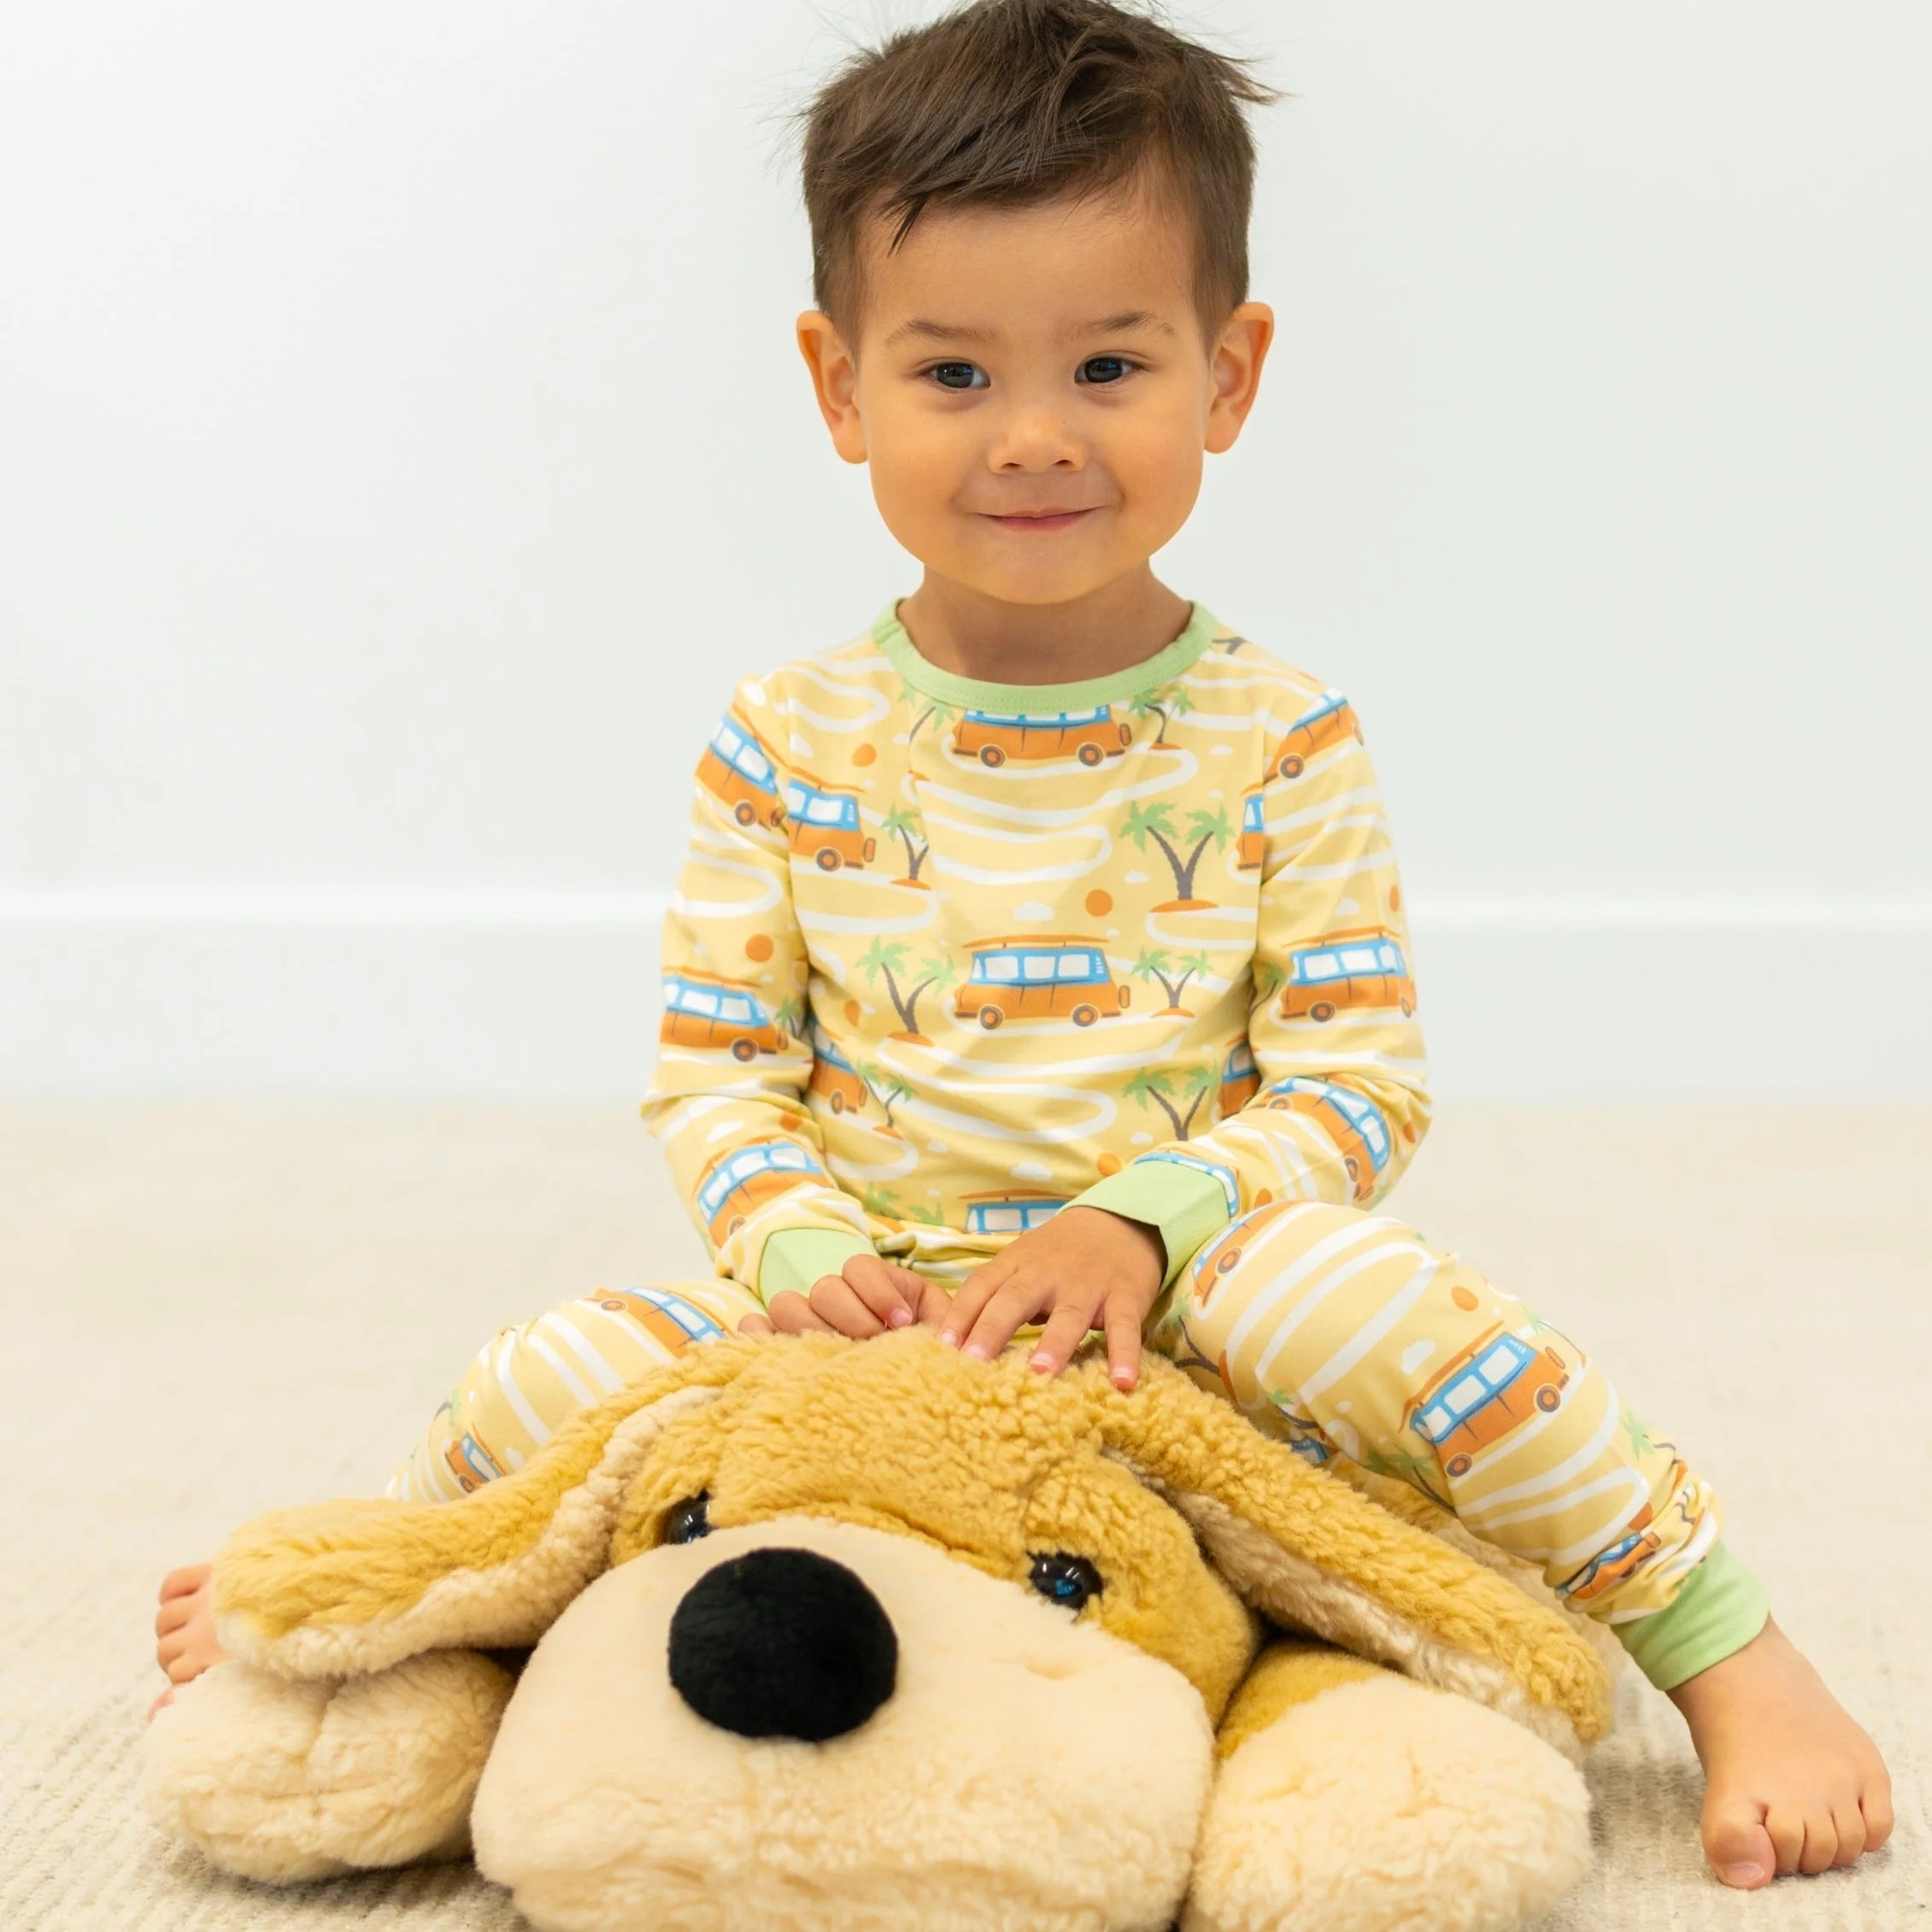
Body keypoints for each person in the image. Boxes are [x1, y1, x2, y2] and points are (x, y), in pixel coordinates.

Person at [156, 0, 1890, 1892]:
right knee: (555, 1362)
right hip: (862, 1322)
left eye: (1111, 364)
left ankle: (1723, 1645)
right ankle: (382, 1581)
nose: (1036, 436)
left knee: (1364, 1300)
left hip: (1187, 1325)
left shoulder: (1280, 734)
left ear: (1228, 375)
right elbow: (716, 1075)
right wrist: (800, 1251)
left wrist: (1144, 1222)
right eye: (955, 373)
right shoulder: (781, 737)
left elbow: (1355, 1078)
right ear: (840, 389)